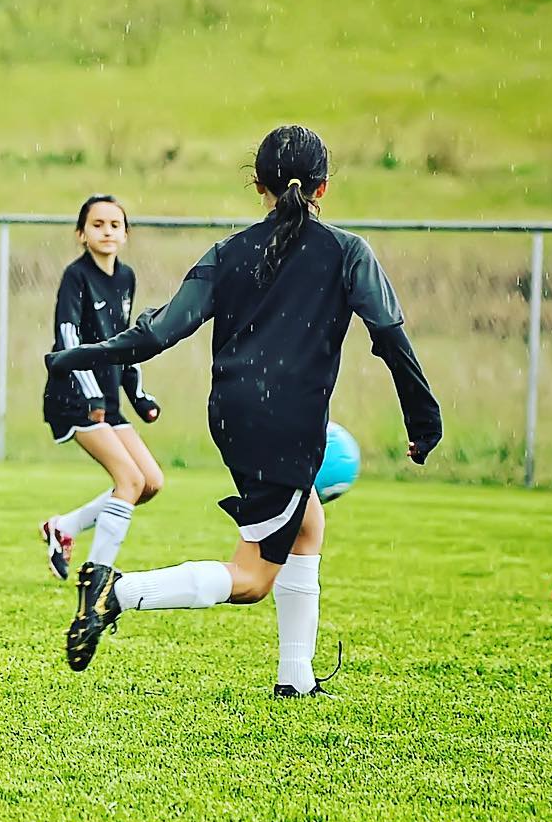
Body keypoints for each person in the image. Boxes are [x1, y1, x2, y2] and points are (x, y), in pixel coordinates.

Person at [47, 126, 442, 697]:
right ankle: (115, 592)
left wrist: (77, 355)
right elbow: (390, 335)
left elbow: (158, 332)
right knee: (253, 579)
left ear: (257, 184)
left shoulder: (228, 253)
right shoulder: (348, 252)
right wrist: (423, 417)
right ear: (324, 188)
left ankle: (296, 679)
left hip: (233, 414)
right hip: (287, 424)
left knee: (308, 524)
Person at [40, 195, 162, 580]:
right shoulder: (75, 277)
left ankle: (64, 527)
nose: (107, 231)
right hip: (74, 396)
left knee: (150, 483)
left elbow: (125, 341)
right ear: (81, 234)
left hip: (107, 400)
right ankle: (99, 574)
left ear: (125, 234)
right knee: (128, 481)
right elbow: (68, 337)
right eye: (97, 224)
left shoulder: (126, 278)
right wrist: (90, 392)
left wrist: (138, 395)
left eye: (115, 224)